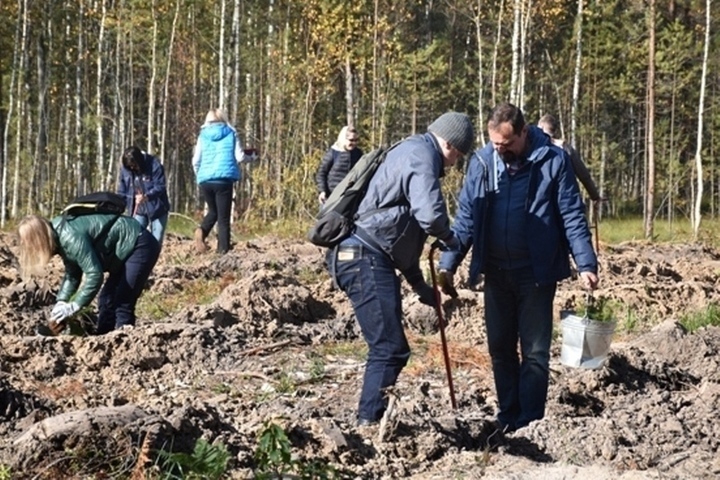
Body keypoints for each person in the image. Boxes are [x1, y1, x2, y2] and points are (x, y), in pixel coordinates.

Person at [438, 103, 599, 433]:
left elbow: (571, 214)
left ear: (524, 133)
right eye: (495, 143)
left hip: (536, 272)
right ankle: (508, 414)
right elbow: (467, 218)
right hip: (496, 271)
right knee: (500, 348)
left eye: (506, 144)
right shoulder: (483, 162)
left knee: (536, 351)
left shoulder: (553, 161)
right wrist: (448, 264)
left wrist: (585, 262)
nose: (500, 150)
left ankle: (530, 421)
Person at [333, 111, 475, 426]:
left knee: (390, 347)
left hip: (366, 256)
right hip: (364, 258)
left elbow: (400, 243)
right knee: (389, 348)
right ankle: (368, 423)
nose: (453, 165)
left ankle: (372, 418)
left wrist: (424, 291)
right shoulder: (422, 156)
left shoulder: (410, 151)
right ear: (450, 145)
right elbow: (429, 215)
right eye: (458, 157)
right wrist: (451, 238)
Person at [17, 212, 160, 334]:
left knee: (122, 300)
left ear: (39, 238)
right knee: (106, 299)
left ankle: (126, 345)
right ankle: (104, 340)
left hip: (139, 244)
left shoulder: (69, 237)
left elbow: (95, 274)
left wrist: (75, 305)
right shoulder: (58, 235)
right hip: (124, 251)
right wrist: (62, 301)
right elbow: (73, 274)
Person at [192, 108, 255, 254]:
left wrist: (199, 176)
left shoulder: (203, 135)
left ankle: (202, 230)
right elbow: (240, 157)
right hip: (224, 180)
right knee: (224, 218)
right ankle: (223, 251)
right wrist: (251, 158)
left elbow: (196, 160)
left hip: (206, 180)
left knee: (213, 211)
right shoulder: (231, 132)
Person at [538, 114, 601, 202]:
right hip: (565, 197)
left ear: (540, 127)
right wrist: (594, 196)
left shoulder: (532, 147)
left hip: (540, 198)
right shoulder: (565, 147)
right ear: (555, 131)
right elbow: (583, 175)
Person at [117, 146, 171, 248]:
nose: (132, 168)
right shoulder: (126, 170)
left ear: (139, 161)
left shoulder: (154, 165)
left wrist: (147, 196)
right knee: (135, 238)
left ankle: (152, 261)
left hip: (157, 210)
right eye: (129, 166)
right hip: (139, 211)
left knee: (156, 240)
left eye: (134, 165)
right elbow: (122, 191)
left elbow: (160, 186)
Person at [316, 126, 363, 204]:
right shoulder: (333, 153)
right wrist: (322, 191)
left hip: (349, 197)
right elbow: (321, 173)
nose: (354, 143)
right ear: (344, 139)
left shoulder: (358, 153)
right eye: (351, 140)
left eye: (356, 140)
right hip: (331, 197)